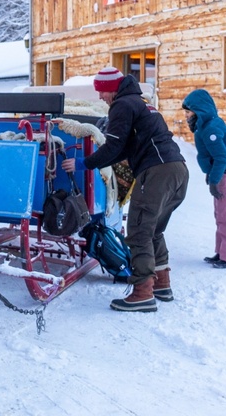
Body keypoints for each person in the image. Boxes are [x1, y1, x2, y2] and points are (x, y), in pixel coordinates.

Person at [62, 66, 189, 312]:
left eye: (102, 92)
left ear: (111, 89)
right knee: (153, 231)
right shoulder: (141, 104)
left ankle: (142, 292)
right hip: (178, 170)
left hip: (156, 171)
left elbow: (113, 147)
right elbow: (123, 147)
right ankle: (161, 284)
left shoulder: (122, 105)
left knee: (139, 231)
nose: (100, 97)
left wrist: (83, 163)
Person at [182, 89, 226, 269]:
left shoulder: (211, 128)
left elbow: (221, 157)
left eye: (188, 111)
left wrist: (214, 180)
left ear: (200, 110)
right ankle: (221, 252)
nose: (186, 115)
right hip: (221, 173)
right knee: (220, 215)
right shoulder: (207, 125)